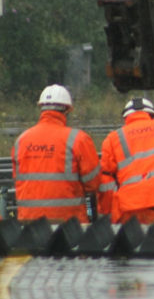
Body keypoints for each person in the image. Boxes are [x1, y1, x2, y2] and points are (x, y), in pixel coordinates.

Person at [12, 84, 101, 223]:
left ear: (41, 109)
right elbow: (93, 183)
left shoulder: (21, 140)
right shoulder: (78, 139)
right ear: (67, 110)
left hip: (28, 225)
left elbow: (18, 179)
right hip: (69, 225)